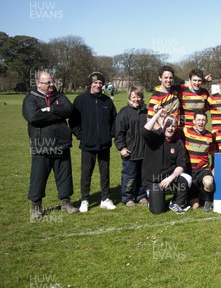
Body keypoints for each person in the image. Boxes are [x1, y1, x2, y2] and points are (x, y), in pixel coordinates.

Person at [23, 71, 78, 220]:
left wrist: (50, 109)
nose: (52, 85)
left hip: (61, 142)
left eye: (52, 82)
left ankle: (66, 202)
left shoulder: (59, 96)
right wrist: (57, 115)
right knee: (38, 176)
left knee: (64, 175)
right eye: (48, 83)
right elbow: (33, 117)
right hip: (42, 144)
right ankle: (36, 207)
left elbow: (69, 110)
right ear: (38, 83)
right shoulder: (30, 99)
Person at [70, 72, 117, 212]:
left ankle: (105, 199)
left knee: (105, 172)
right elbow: (73, 121)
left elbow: (114, 120)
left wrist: (110, 135)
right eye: (95, 83)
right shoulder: (80, 100)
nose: (98, 85)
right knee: (86, 173)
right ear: (90, 83)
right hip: (87, 144)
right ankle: (85, 200)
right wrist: (81, 136)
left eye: (100, 83)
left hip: (104, 144)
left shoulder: (107, 101)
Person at [142, 108, 190, 214]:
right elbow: (145, 130)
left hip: (168, 178)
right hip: (154, 180)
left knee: (186, 178)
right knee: (157, 211)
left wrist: (171, 178)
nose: (170, 128)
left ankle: (175, 202)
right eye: (168, 124)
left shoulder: (178, 143)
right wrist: (158, 114)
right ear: (162, 125)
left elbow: (181, 165)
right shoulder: (155, 137)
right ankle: (152, 196)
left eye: (173, 126)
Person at [114, 86, 148, 207]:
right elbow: (118, 133)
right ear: (129, 98)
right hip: (130, 151)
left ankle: (141, 195)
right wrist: (121, 148)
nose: (136, 99)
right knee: (129, 176)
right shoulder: (124, 112)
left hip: (144, 151)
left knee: (142, 176)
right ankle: (127, 197)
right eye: (134, 97)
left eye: (139, 96)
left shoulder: (146, 112)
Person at [183, 111, 217, 212]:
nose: (201, 122)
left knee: (209, 182)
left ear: (206, 121)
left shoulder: (210, 136)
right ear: (194, 121)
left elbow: (213, 153)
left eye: (203, 120)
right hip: (190, 170)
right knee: (195, 206)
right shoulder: (186, 131)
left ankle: (208, 201)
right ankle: (199, 195)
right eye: (199, 120)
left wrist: (215, 168)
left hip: (203, 169)